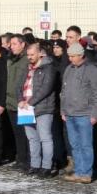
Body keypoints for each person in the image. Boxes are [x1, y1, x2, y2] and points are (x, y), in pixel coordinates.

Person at [60, 43, 97, 184]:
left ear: (81, 55)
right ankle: (78, 171)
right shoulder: (68, 69)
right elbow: (64, 92)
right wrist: (63, 110)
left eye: (73, 56)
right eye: (69, 56)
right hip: (69, 113)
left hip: (85, 114)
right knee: (75, 145)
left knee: (85, 145)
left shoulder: (92, 70)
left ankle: (86, 173)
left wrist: (94, 114)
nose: (70, 59)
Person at [18, 43, 58, 178]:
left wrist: (30, 102)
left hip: (42, 108)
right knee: (32, 138)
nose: (29, 57)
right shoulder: (27, 68)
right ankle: (35, 165)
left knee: (45, 138)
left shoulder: (48, 68)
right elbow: (20, 86)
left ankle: (46, 166)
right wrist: (20, 100)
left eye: (32, 55)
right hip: (26, 108)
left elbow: (46, 89)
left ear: (40, 53)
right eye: (28, 55)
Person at [5, 34, 30, 171]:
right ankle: (20, 158)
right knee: (17, 133)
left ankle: (27, 160)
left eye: (15, 44)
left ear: (22, 44)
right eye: (11, 44)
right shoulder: (10, 59)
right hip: (10, 101)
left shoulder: (26, 60)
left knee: (25, 133)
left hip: (22, 102)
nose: (11, 46)